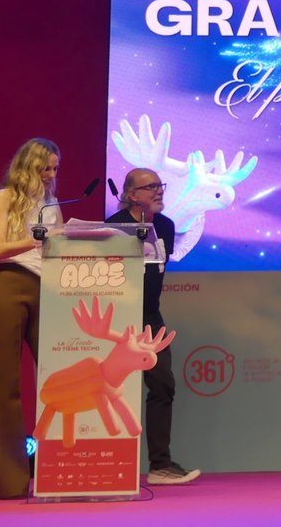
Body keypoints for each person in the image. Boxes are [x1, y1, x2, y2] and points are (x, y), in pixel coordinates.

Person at [107, 168, 201, 485]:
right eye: (151, 187)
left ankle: (160, 465)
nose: (159, 191)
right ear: (132, 195)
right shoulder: (112, 228)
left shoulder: (165, 226)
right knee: (112, 390)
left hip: (150, 318)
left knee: (163, 384)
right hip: (118, 319)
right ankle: (108, 463)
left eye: (160, 185)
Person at [0, 138, 62, 499]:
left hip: (45, 288)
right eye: (44, 167)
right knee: (6, 381)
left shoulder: (53, 203)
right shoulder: (4, 197)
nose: (50, 175)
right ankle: (9, 482)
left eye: (55, 169)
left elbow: (57, 249)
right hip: (10, 283)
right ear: (27, 165)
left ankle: (61, 471)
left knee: (57, 380)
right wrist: (37, 238)